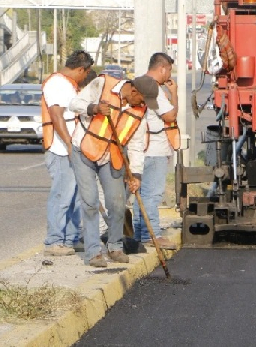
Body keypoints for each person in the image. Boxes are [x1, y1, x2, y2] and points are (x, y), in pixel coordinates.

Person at [69, 73, 159, 268]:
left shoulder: (140, 112)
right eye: (143, 99)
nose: (143, 104)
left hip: (111, 157)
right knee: (90, 202)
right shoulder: (102, 84)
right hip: (84, 150)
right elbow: (74, 104)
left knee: (117, 203)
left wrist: (135, 174)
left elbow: (136, 145)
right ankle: (93, 252)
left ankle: (115, 246)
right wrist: (93, 108)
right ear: (134, 91)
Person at [40, 50, 94, 256]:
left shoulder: (67, 84)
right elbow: (57, 116)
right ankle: (54, 241)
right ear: (81, 69)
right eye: (85, 73)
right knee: (62, 195)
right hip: (61, 149)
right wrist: (69, 144)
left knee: (75, 197)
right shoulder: (57, 83)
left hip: (73, 147)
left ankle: (70, 238)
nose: (85, 77)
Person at [133, 52, 180, 249]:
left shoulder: (139, 84)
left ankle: (142, 234)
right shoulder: (155, 89)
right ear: (162, 68)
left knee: (141, 194)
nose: (169, 75)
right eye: (169, 70)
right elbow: (169, 115)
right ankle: (153, 235)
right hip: (154, 149)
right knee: (152, 195)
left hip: (140, 148)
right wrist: (175, 94)